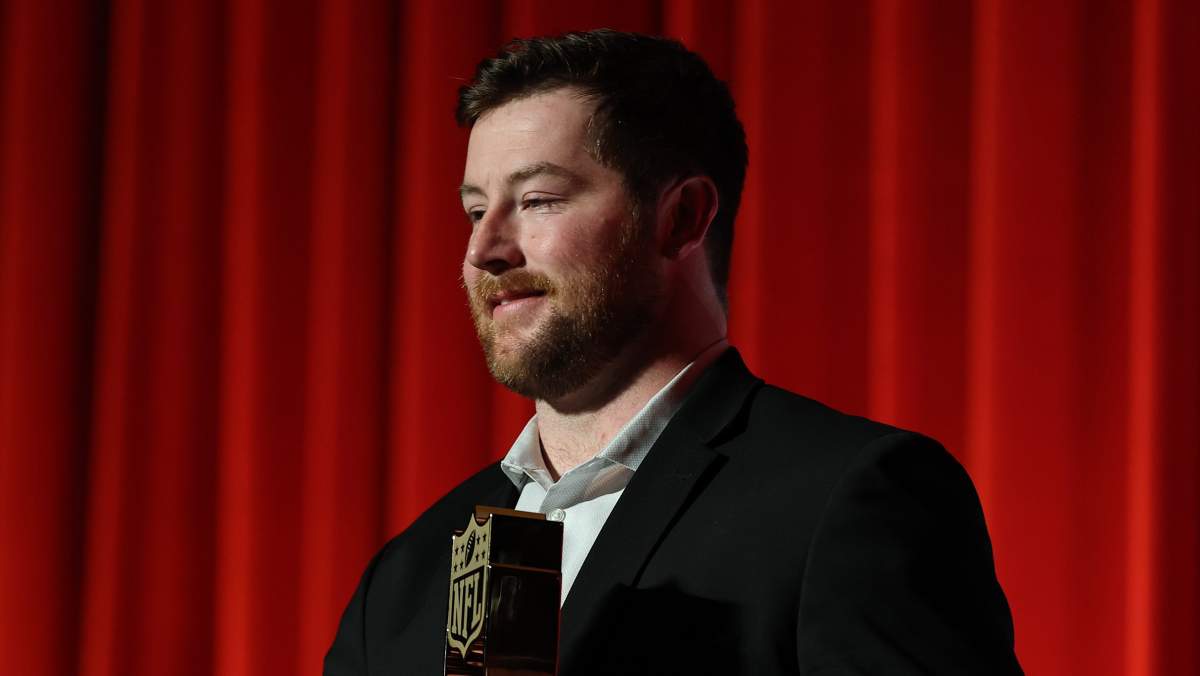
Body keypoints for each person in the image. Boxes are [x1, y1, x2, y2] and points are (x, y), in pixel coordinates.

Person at [325, 30, 1022, 675]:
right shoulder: (408, 576)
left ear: (682, 217)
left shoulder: (848, 502)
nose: (484, 249)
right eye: (476, 210)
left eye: (538, 200)